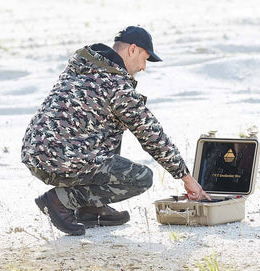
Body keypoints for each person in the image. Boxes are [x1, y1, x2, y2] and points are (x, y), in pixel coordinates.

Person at [21, 26, 210, 236]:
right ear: (132, 50)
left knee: (111, 125)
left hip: (34, 153)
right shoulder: (116, 85)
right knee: (140, 177)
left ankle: (92, 209)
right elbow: (152, 136)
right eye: (144, 58)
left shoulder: (83, 67)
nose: (144, 67)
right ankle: (59, 201)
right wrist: (187, 179)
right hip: (59, 158)